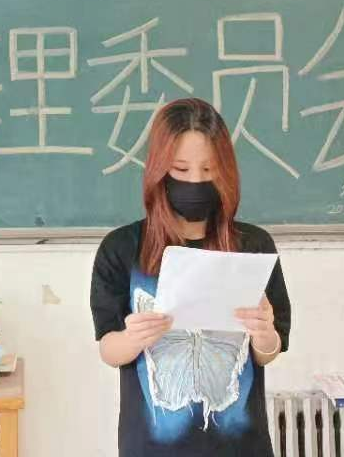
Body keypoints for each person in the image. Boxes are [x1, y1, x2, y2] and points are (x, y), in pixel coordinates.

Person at [90, 97, 291, 457]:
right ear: (159, 170)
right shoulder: (120, 248)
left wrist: (264, 334)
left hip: (241, 447)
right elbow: (109, 349)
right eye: (181, 169)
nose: (196, 181)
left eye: (209, 169)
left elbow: (268, 353)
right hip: (152, 448)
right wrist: (134, 338)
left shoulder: (254, 245)